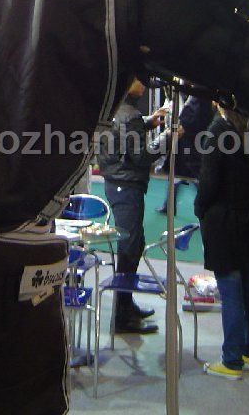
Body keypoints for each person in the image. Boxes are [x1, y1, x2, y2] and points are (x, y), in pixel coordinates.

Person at [194, 106, 249, 380]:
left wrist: (200, 208)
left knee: (231, 293)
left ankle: (231, 361)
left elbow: (208, 182)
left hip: (226, 221)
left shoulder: (218, 131)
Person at [98, 79, 174, 334]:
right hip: (126, 184)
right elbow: (141, 156)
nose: (144, 84)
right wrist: (167, 138)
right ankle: (122, 317)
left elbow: (124, 133)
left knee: (133, 244)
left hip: (117, 182)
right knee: (129, 248)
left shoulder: (117, 107)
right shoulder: (129, 114)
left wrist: (149, 122)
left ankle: (126, 306)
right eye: (139, 80)